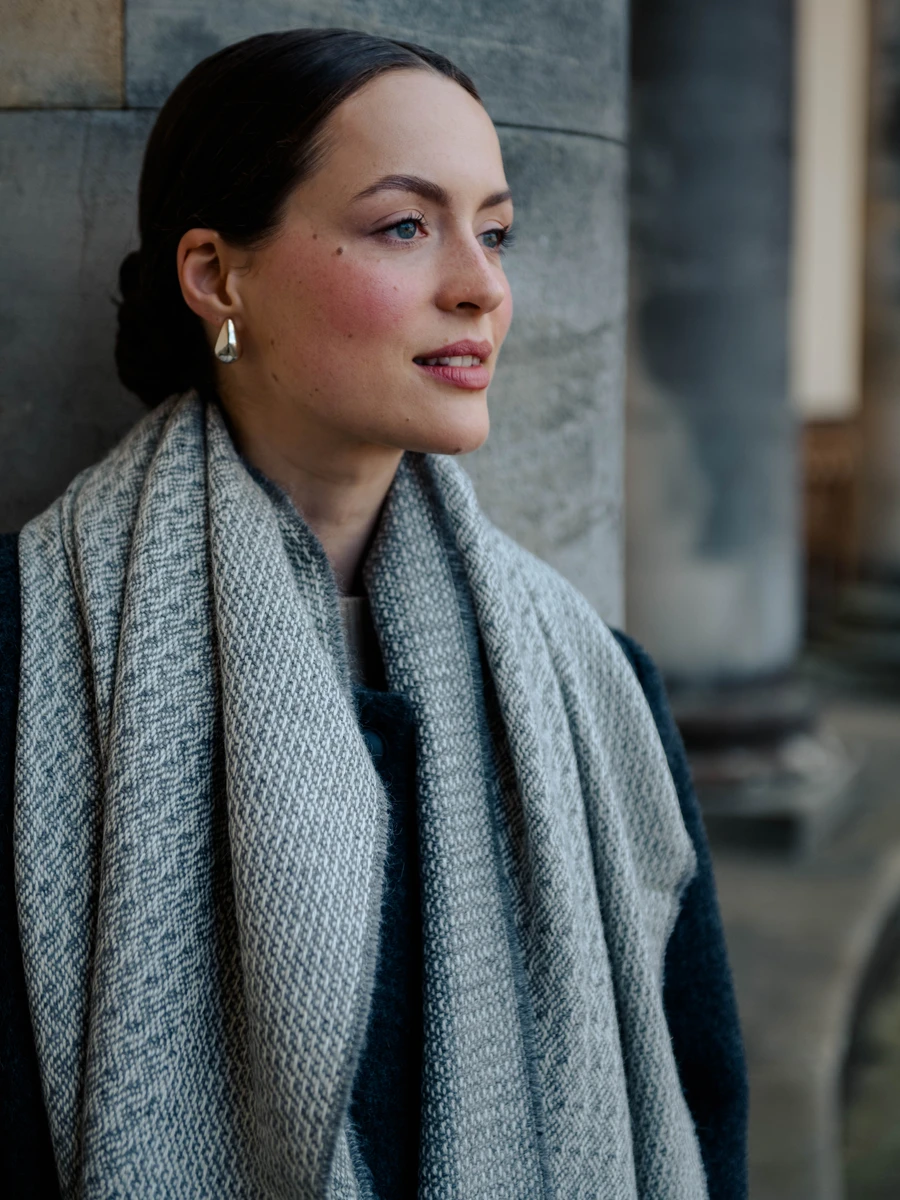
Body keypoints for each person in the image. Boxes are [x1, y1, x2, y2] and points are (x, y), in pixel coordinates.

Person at [0, 28, 747, 1200]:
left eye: (494, 231)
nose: (482, 285)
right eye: (405, 225)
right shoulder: (27, 649)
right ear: (217, 276)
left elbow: (700, 1096)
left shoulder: (592, 678)